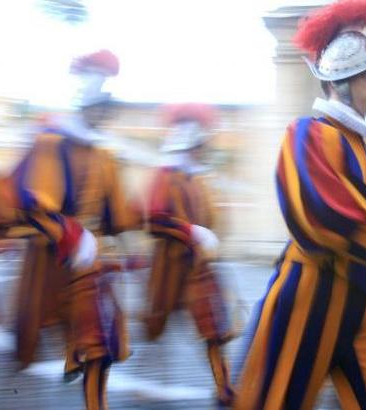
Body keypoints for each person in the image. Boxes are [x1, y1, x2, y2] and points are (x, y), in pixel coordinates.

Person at [234, 1, 366, 409]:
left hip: (363, 300)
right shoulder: (308, 133)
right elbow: (324, 217)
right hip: (310, 297)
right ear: (338, 79)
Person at [12, 49, 137, 410]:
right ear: (85, 106)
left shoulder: (104, 155)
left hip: (95, 265)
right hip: (58, 257)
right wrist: (72, 235)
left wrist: (123, 244)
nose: (105, 116)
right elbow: (33, 202)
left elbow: (115, 214)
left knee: (102, 340)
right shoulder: (51, 144)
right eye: (100, 108)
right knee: (72, 329)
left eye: (107, 109)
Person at [143, 103, 235, 405]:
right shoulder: (165, 175)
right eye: (197, 145)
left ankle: (223, 386)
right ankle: (150, 377)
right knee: (156, 326)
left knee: (213, 328)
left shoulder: (200, 180)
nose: (200, 150)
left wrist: (210, 234)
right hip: (168, 267)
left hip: (198, 269)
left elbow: (212, 222)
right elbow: (154, 218)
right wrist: (191, 232)